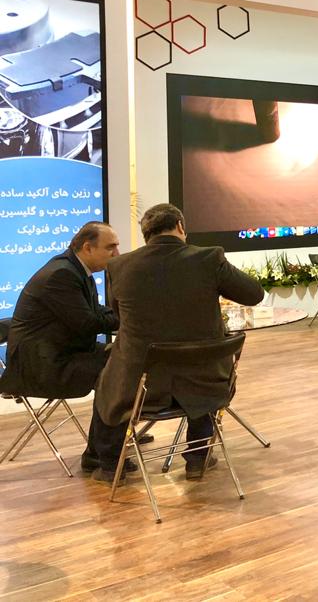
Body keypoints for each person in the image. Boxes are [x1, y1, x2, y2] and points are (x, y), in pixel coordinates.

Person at [84, 204, 264, 483]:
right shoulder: (209, 258)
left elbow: (120, 316)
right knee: (198, 362)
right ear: (180, 226)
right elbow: (253, 294)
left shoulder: (119, 266)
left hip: (140, 387)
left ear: (145, 233)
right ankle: (198, 457)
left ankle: (110, 466)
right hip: (205, 384)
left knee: (108, 376)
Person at [0, 222, 120, 402]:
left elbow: (95, 311)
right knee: (122, 363)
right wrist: (127, 318)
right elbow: (88, 324)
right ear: (88, 248)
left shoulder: (75, 269)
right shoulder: (62, 274)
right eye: (111, 247)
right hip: (44, 367)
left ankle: (115, 420)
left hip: (61, 351)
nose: (117, 254)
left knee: (124, 355)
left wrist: (122, 314)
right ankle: (113, 420)